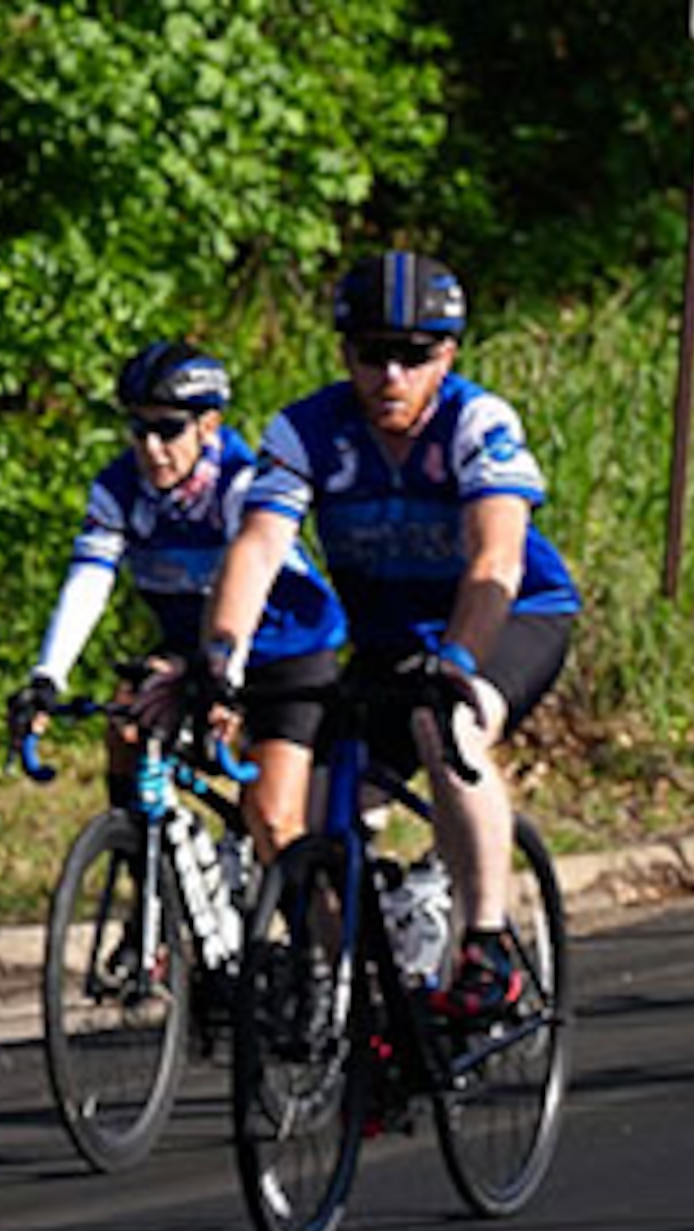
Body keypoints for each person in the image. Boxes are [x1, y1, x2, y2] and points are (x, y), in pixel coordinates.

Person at [204, 251, 580, 1021]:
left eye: (416, 355)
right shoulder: (308, 430)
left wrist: (460, 662)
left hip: (510, 616)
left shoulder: (478, 423)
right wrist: (221, 656)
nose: (393, 374)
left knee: (450, 727)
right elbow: (259, 547)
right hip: (387, 639)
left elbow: (495, 559)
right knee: (307, 818)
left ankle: (487, 944)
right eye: (374, 352)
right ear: (345, 352)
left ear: (449, 354)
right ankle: (363, 997)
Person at [6, 341, 347, 865]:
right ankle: (150, 899)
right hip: (196, 648)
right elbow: (89, 582)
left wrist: (224, 682)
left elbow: (248, 575)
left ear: (208, 425)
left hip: (286, 650)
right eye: (138, 429)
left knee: (273, 821)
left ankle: (310, 941)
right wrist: (47, 676)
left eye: (168, 429)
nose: (151, 447)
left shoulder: (240, 484)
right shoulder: (120, 488)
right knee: (125, 721)